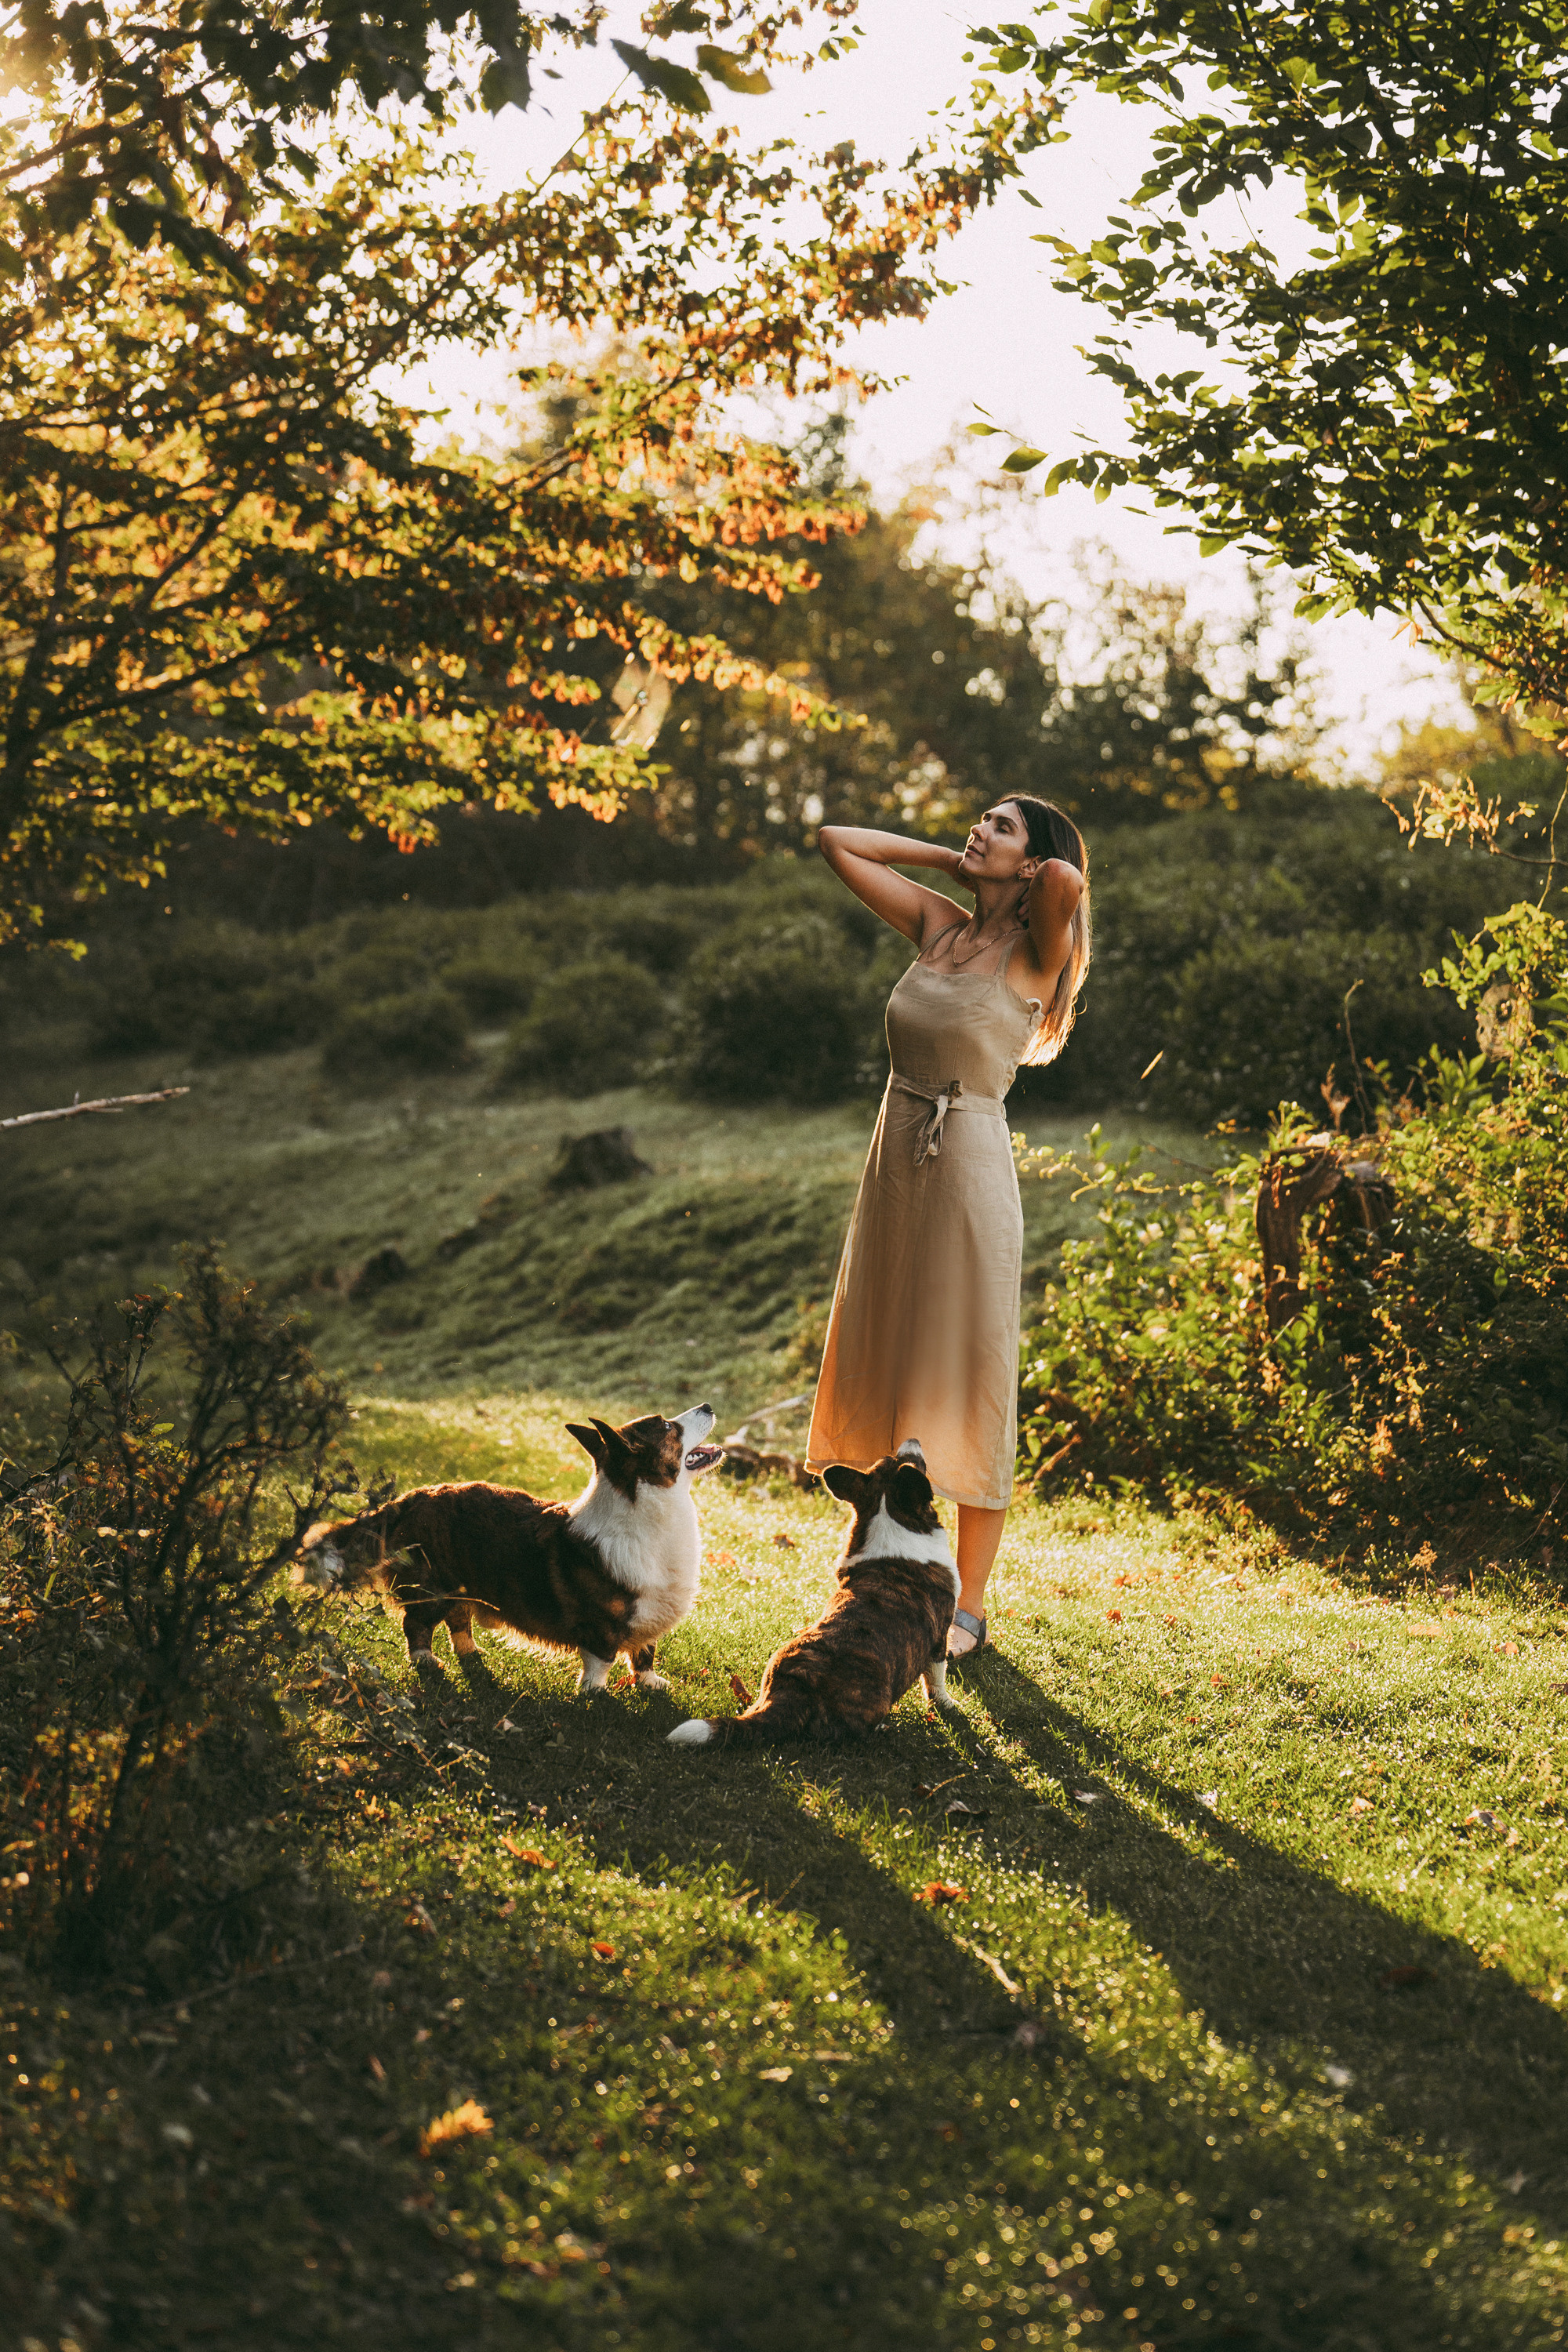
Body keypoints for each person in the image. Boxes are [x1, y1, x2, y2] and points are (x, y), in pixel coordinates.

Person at [806, 798, 1091, 1658]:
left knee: (965, 1368)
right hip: (895, 1157)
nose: (979, 828)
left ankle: (964, 1609)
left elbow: (1072, 878)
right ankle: (875, 1567)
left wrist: (1025, 872)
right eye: (981, 819)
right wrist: (956, 862)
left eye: (999, 826)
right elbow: (836, 841)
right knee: (889, 1355)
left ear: (1032, 861)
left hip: (966, 1163)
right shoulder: (937, 924)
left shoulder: (1040, 950)